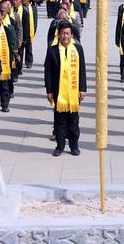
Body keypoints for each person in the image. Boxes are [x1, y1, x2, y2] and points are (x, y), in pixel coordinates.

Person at [44, 21, 87, 156]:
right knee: (60, 120)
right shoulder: (53, 49)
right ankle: (60, 146)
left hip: (74, 91)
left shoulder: (78, 49)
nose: (65, 36)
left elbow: (82, 70)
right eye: (62, 33)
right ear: (59, 34)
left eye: (67, 33)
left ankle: (74, 146)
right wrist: (49, 90)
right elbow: (48, 71)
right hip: (58, 92)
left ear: (72, 35)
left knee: (74, 120)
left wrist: (82, 88)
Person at [19, 0, 38, 69]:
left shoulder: (33, 8)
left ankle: (29, 62)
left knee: (29, 48)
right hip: (21, 30)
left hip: (29, 30)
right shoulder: (18, 8)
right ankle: (19, 63)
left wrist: (34, 30)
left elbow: (35, 20)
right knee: (20, 49)